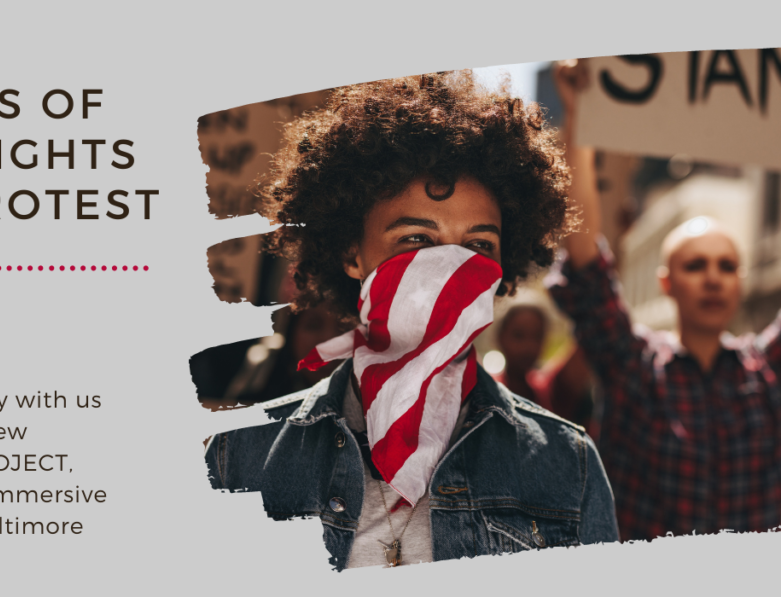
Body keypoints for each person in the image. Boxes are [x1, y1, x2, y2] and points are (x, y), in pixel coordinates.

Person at [203, 72, 618, 571]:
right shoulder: (243, 451)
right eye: (417, 239)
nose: (450, 268)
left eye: (478, 246)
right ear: (352, 254)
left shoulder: (566, 465)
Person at [547, 60, 781, 541]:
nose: (712, 279)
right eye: (695, 266)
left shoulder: (768, 372)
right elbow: (588, 264)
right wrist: (580, 119)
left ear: (740, 282)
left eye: (725, 266)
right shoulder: (634, 366)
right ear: (667, 282)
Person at [492, 303, 597, 436]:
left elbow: (591, 336)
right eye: (518, 335)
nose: (528, 347)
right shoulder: (485, 389)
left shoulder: (549, 390)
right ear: (500, 337)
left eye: (537, 336)